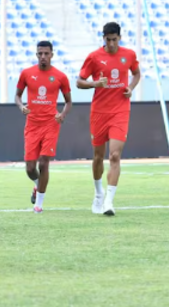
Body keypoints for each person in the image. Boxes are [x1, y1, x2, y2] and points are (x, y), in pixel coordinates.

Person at [77, 22, 141, 216]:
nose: (111, 43)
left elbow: (137, 73)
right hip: (99, 112)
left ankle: (109, 202)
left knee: (114, 156)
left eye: (114, 39)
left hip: (120, 111)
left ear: (119, 38)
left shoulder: (128, 55)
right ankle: (98, 193)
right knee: (98, 156)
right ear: (103, 38)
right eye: (108, 40)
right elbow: (79, 82)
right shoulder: (94, 57)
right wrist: (95, 83)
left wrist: (131, 87)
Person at [15, 41, 73, 213]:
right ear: (36, 55)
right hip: (32, 124)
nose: (43, 57)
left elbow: (69, 101)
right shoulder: (26, 73)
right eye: (40, 54)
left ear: (52, 55)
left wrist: (62, 115)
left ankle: (38, 204)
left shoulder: (60, 76)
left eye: (46, 54)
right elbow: (17, 96)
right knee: (30, 168)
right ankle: (37, 184)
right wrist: (21, 106)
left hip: (50, 123)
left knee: (44, 163)